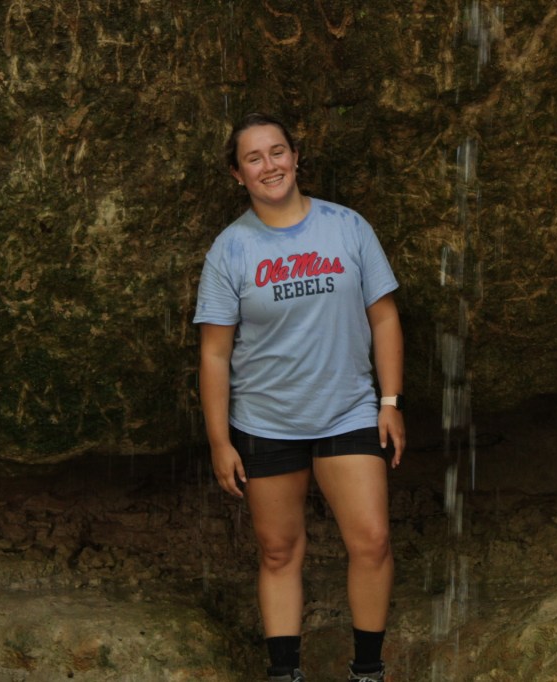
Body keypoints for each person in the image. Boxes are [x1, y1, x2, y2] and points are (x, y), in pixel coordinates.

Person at [194, 112, 406, 682]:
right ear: (238, 175)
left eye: (278, 151)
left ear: (295, 157)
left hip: (347, 410)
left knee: (373, 541)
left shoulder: (347, 227)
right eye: (255, 158)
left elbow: (383, 318)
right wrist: (220, 440)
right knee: (280, 552)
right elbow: (214, 354)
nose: (270, 165)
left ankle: (368, 672)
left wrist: (389, 402)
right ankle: (285, 674)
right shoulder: (230, 250)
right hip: (268, 420)